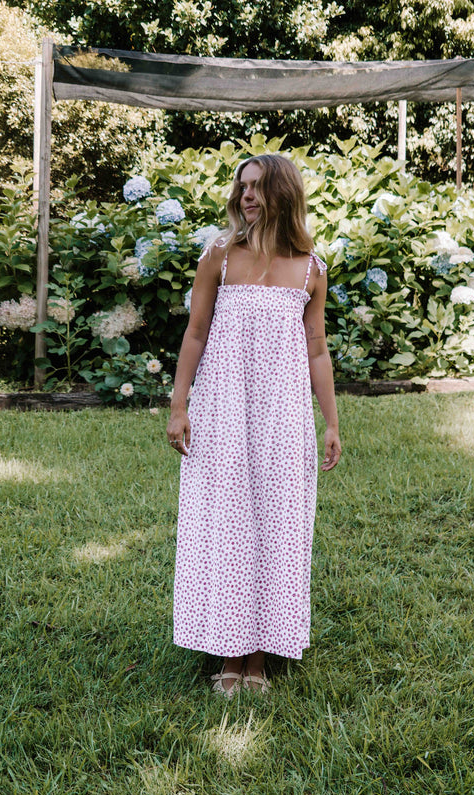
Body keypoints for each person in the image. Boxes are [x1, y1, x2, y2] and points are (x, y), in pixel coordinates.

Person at [166, 153, 341, 696]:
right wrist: (179, 404)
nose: (247, 196)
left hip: (283, 414)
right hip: (224, 407)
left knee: (277, 525)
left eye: (259, 187)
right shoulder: (219, 256)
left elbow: (316, 349)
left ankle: (259, 656)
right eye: (242, 186)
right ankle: (228, 649)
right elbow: (195, 333)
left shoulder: (311, 269)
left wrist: (331, 423)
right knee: (228, 521)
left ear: (283, 194)